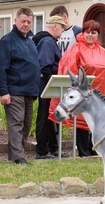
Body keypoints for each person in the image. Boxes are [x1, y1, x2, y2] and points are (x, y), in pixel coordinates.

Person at [49, 20, 105, 157]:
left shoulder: (104, 52)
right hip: (81, 94)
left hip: (99, 94)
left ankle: (94, 149)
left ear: (97, 34)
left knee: (96, 121)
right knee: (81, 121)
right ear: (83, 33)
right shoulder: (75, 49)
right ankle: (83, 151)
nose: (90, 35)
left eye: (93, 32)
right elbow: (68, 70)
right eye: (87, 32)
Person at [0, 7, 40, 164]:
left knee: (25, 126)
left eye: (28, 22)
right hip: (14, 91)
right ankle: (17, 157)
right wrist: (3, 91)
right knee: (16, 124)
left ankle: (18, 155)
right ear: (16, 21)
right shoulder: (7, 41)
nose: (26, 24)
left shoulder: (30, 42)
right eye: (23, 21)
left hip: (29, 91)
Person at [32, 16, 65, 159]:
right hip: (47, 84)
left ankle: (53, 148)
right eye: (62, 28)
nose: (63, 31)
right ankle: (42, 151)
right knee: (45, 117)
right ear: (56, 26)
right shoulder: (48, 41)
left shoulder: (43, 39)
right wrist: (51, 82)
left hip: (47, 83)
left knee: (50, 117)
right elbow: (45, 65)